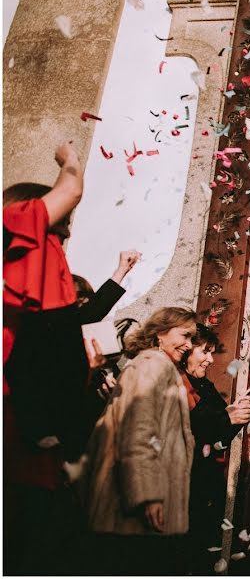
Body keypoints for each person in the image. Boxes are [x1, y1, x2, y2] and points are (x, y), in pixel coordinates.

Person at [2, 143, 89, 574]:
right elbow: (70, 189)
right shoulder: (9, 230)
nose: (65, 235)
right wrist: (68, 159)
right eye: (60, 228)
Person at [82, 307, 198, 575]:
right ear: (160, 333)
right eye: (185, 335)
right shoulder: (152, 365)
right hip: (132, 511)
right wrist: (147, 495)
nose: (190, 345)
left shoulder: (158, 366)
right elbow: (137, 430)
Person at [180, 324, 250, 574]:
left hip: (205, 486)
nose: (210, 360)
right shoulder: (176, 382)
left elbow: (219, 432)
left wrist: (236, 416)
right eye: (205, 352)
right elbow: (190, 425)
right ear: (186, 350)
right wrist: (227, 418)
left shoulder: (205, 386)